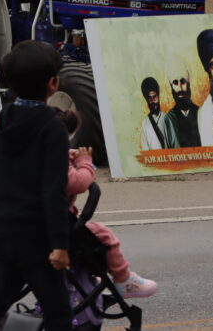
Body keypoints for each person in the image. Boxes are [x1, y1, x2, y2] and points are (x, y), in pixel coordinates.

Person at [0, 40, 72, 331]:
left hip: (4, 232)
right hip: (36, 237)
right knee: (58, 314)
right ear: (53, 83)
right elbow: (52, 190)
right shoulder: (53, 127)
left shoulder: (4, 119)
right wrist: (60, 244)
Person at [59, 108, 158, 298]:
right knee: (104, 236)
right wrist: (85, 162)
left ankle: (85, 275)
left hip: (31, 224)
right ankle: (124, 280)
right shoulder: (53, 156)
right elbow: (77, 182)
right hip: (58, 223)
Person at [139, 77, 177, 150]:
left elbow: (175, 144)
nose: (153, 101)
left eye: (154, 97)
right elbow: (145, 149)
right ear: (146, 100)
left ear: (158, 97)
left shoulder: (166, 118)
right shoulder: (145, 123)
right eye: (149, 98)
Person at [166, 70, 201, 148]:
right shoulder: (169, 119)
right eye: (175, 83)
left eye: (183, 81)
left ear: (188, 85)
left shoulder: (201, 113)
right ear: (171, 87)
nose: (180, 87)